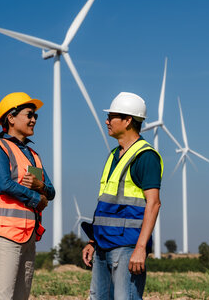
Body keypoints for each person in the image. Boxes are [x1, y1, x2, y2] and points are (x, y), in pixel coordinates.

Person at [82, 92, 163, 300]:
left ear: (128, 120)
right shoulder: (113, 155)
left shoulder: (145, 157)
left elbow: (153, 204)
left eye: (112, 117)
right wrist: (92, 240)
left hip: (127, 247)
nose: (107, 121)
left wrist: (140, 249)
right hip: (102, 245)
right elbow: (105, 203)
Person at [0, 92, 55, 300]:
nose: (34, 120)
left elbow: (51, 190)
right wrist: (38, 199)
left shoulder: (33, 155)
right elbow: (5, 185)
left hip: (27, 237)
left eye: (35, 116)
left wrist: (42, 187)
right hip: (3, 236)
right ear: (11, 118)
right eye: (29, 115)